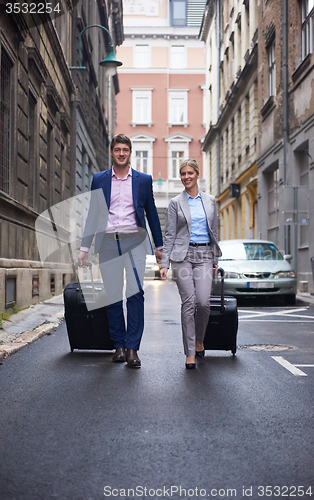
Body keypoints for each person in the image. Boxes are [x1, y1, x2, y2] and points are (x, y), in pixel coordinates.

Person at [78, 134, 163, 368]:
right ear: (112, 152)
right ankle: (118, 345)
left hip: (134, 241)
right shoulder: (100, 179)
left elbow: (152, 214)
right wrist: (84, 248)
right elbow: (93, 214)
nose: (122, 153)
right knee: (114, 295)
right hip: (107, 242)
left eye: (125, 149)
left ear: (130, 152)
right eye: (118, 149)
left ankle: (133, 349)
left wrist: (159, 247)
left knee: (135, 294)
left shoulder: (143, 181)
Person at [160, 159, 221, 369]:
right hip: (182, 256)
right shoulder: (175, 202)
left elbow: (214, 232)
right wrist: (164, 263)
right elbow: (169, 234)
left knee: (203, 303)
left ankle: (199, 341)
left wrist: (215, 259)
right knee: (188, 303)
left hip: (204, 254)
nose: (186, 177)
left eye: (190, 173)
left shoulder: (210, 200)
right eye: (183, 174)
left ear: (197, 174)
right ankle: (189, 353)